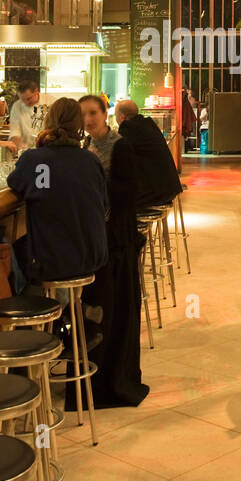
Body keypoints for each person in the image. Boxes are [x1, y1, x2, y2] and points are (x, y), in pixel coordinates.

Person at [78, 94, 148, 407]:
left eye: (93, 113)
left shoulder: (121, 147)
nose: (89, 119)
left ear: (106, 114)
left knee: (117, 307)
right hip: (97, 240)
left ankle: (117, 379)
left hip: (118, 240)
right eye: (83, 114)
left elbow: (128, 194)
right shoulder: (84, 148)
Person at [5, 98, 108, 285]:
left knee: (7, 246)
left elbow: (14, 183)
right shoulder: (91, 161)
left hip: (50, 263)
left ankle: (36, 304)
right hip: (93, 256)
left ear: (48, 121)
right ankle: (70, 307)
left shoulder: (34, 160)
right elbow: (104, 206)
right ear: (79, 125)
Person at [114, 99, 183, 209]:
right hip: (169, 187)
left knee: (114, 201)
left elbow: (118, 157)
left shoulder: (128, 128)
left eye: (115, 116)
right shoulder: (148, 124)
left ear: (122, 117)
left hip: (156, 193)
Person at [8, 80, 42, 152]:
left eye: (29, 98)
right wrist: (21, 146)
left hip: (46, 150)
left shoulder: (51, 102)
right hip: (26, 151)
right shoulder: (17, 106)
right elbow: (15, 131)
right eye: (22, 100)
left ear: (36, 92)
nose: (26, 102)